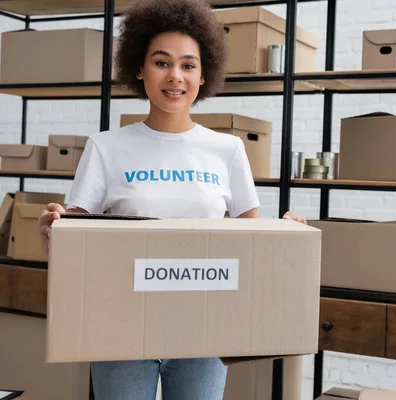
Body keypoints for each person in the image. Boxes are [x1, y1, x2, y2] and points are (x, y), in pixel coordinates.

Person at [36, 0, 306, 398]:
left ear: (203, 74)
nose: (175, 76)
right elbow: (78, 234)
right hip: (121, 329)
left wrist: (285, 238)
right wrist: (55, 226)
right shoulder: (107, 146)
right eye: (162, 62)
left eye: (188, 65)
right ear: (139, 69)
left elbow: (252, 244)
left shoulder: (227, 150)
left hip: (205, 329)